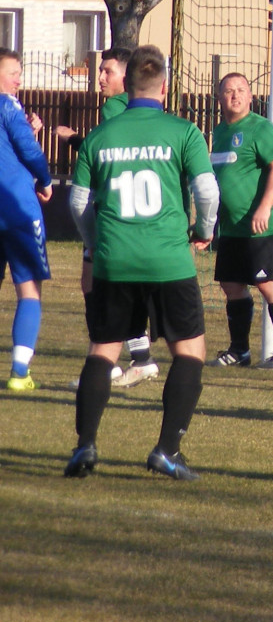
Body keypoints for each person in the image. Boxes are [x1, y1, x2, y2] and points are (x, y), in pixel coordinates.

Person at [65, 45, 218, 480]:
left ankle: (85, 446)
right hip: (169, 260)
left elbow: (78, 203)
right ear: (164, 88)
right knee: (189, 352)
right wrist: (204, 229)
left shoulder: (100, 136)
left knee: (103, 351)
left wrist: (97, 244)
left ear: (127, 86)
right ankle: (166, 451)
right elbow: (207, 191)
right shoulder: (183, 131)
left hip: (114, 261)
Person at [56, 47, 158, 386]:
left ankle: (107, 365)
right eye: (100, 70)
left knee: (99, 286)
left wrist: (75, 140)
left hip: (110, 210)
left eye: (107, 71)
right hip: (139, 212)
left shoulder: (115, 107)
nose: (100, 77)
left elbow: (110, 152)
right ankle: (136, 358)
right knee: (111, 285)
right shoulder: (144, 110)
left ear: (126, 77)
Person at [207, 72, 273, 369]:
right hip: (232, 227)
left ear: (250, 96)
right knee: (232, 285)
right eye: (228, 90)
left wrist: (264, 207)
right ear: (219, 97)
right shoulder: (220, 132)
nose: (235, 95)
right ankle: (239, 351)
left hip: (262, 227)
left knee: (268, 284)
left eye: (240, 90)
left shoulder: (261, 128)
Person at [0, 48, 52, 391]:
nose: (19, 79)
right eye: (13, 72)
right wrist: (45, 180)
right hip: (17, 209)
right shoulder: (8, 105)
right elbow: (28, 151)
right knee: (29, 289)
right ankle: (19, 372)